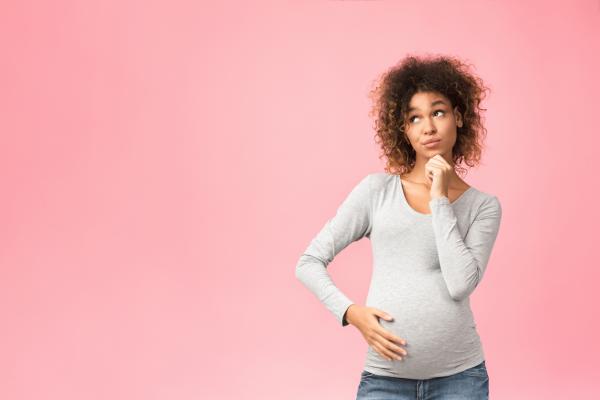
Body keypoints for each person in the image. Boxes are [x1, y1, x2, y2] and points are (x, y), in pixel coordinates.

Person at [295, 54, 502, 400]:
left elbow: (459, 284)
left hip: (460, 379)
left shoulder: (483, 206)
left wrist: (439, 199)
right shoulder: (377, 192)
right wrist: (351, 313)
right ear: (403, 130)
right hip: (385, 380)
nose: (428, 127)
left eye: (438, 112)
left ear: (459, 117)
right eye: (414, 118)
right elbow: (309, 261)